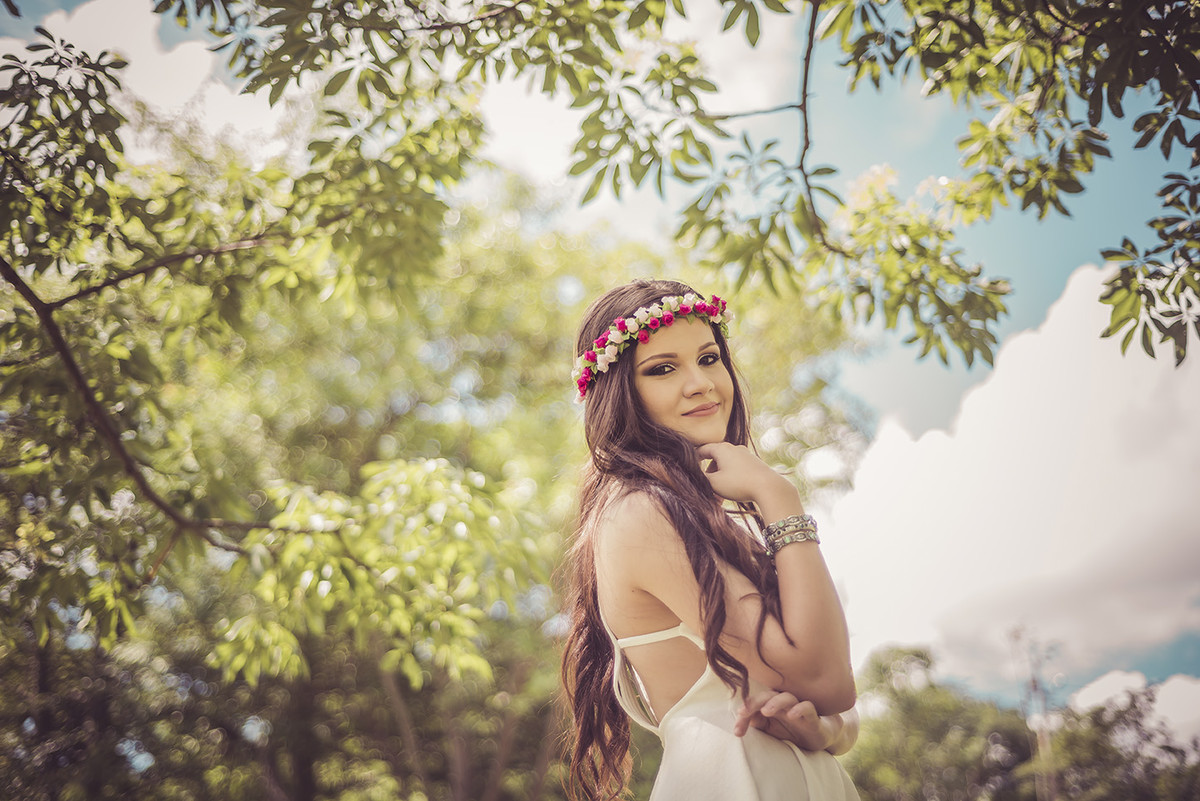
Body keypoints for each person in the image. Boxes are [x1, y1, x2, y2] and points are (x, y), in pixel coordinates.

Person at [561, 279, 860, 800]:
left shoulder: (710, 517)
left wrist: (828, 731)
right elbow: (823, 679)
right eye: (662, 368)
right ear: (619, 395)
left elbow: (828, 702)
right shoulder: (637, 514)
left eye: (709, 357)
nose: (701, 383)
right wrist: (779, 496)